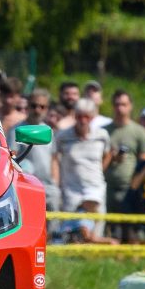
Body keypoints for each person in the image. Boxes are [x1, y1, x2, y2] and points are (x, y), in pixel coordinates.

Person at [54, 98, 113, 243]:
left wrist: (100, 170)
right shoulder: (63, 136)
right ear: (75, 116)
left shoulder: (102, 135)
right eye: (79, 116)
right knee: (71, 231)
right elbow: (54, 157)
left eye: (86, 116)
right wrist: (57, 181)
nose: (83, 120)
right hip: (72, 189)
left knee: (96, 228)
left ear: (92, 117)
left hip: (95, 187)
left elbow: (108, 154)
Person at [104, 90, 145, 242]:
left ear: (130, 106)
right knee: (109, 230)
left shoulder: (139, 131)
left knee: (131, 231)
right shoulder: (104, 131)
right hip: (106, 187)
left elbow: (144, 162)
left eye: (124, 104)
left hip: (130, 189)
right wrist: (112, 157)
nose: (120, 108)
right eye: (117, 104)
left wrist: (136, 186)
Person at [18, 88, 61, 218]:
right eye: (34, 106)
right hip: (27, 186)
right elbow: (12, 157)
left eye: (42, 107)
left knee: (54, 220)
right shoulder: (18, 130)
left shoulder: (49, 131)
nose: (37, 110)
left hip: (49, 187)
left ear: (47, 109)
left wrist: (55, 182)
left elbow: (54, 158)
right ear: (28, 106)